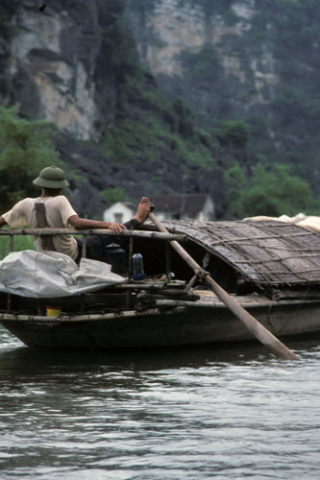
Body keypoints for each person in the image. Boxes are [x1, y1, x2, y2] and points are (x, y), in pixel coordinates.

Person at [0, 166, 151, 263]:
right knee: (103, 236)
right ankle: (136, 220)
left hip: (47, 254)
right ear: (60, 187)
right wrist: (108, 224)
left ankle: (134, 222)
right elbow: (76, 223)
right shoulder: (60, 200)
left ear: (41, 185)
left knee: (87, 240)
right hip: (71, 255)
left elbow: (2, 220)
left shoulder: (25, 203)